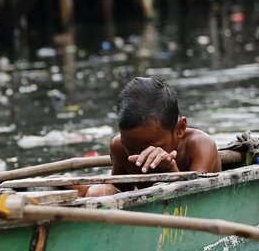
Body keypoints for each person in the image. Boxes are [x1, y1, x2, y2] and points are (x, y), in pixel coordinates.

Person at [82, 77, 221, 197]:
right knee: (98, 191)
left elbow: (195, 200)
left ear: (180, 129)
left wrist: (170, 169)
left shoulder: (200, 145)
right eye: (130, 148)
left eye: (154, 148)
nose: (142, 157)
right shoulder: (119, 147)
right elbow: (120, 191)